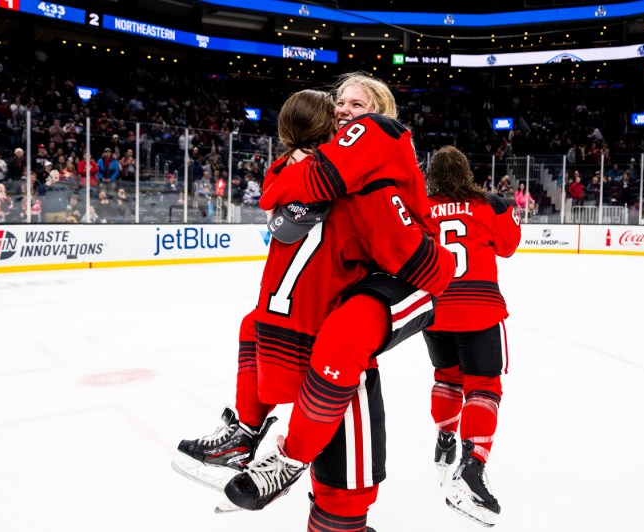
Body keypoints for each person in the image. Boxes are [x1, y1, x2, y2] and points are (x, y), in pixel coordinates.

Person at [177, 89, 454, 531]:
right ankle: (246, 433)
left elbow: (423, 264)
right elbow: (287, 194)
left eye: (357, 106)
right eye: (339, 103)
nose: (344, 111)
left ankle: (289, 462)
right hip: (328, 325)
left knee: (346, 341)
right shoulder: (321, 176)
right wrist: (295, 165)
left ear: (376, 118)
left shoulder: (371, 179)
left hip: (416, 283)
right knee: (258, 323)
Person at [421, 146, 521, 527]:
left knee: (446, 377)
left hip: (435, 309)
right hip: (480, 307)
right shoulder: (488, 204)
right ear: (466, 172)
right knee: (483, 386)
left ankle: (446, 440)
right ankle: (473, 464)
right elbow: (509, 247)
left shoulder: (421, 205)